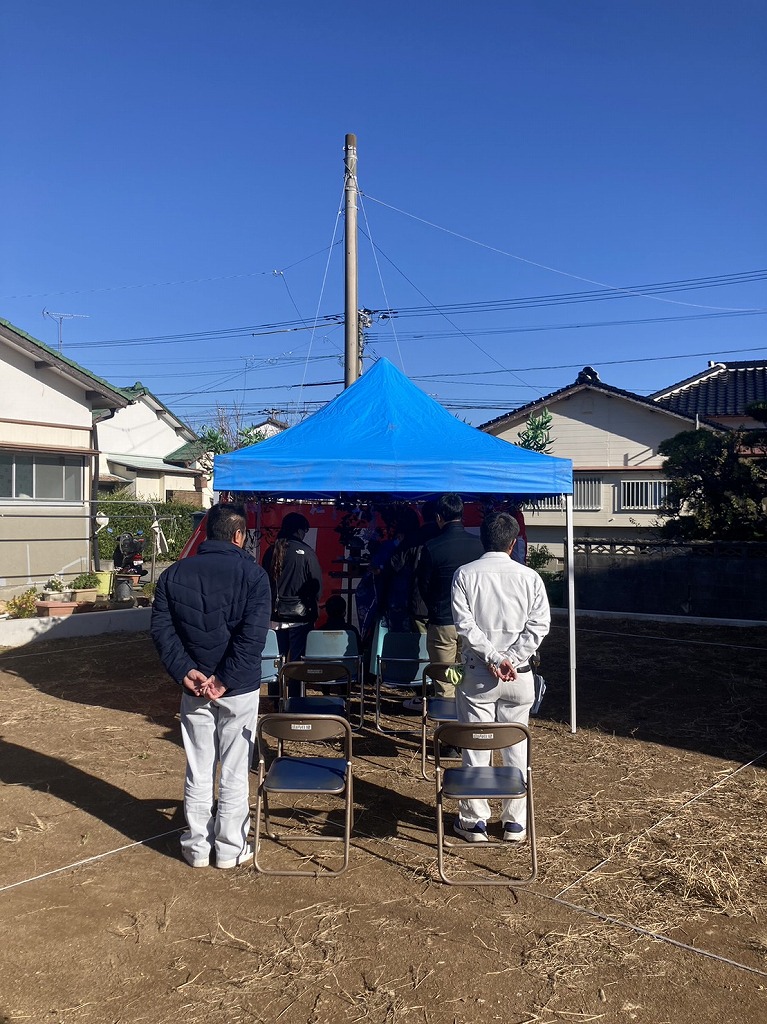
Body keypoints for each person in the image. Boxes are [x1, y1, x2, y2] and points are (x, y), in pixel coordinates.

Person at [150, 502, 271, 869]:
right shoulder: (254, 576)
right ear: (240, 535)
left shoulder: (173, 575)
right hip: (238, 688)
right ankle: (230, 850)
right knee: (234, 771)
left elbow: (161, 630)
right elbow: (252, 638)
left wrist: (185, 670)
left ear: (205, 533)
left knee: (198, 768)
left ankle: (197, 848)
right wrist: (225, 679)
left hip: (195, 686)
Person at [450, 511, 550, 843]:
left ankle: (474, 821)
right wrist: (513, 659)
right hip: (518, 675)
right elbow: (539, 626)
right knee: (515, 746)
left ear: (483, 538)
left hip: (480, 673)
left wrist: (494, 657)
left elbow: (465, 626)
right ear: (513, 542)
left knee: (476, 746)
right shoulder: (530, 577)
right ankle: (514, 823)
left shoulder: (464, 574)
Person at [415, 493, 484, 697]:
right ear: (461, 515)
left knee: (445, 682)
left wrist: (435, 608)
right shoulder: (480, 546)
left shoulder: (432, 547)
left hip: (442, 620)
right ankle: (468, 724)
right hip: (473, 621)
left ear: (438, 517)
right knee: (472, 679)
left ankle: (447, 726)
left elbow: (423, 586)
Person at [262, 512, 323, 661]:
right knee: (297, 662)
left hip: (275, 615)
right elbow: (316, 585)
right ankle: (295, 686)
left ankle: (277, 685)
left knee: (276, 660)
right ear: (299, 530)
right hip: (300, 616)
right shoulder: (307, 552)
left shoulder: (271, 551)